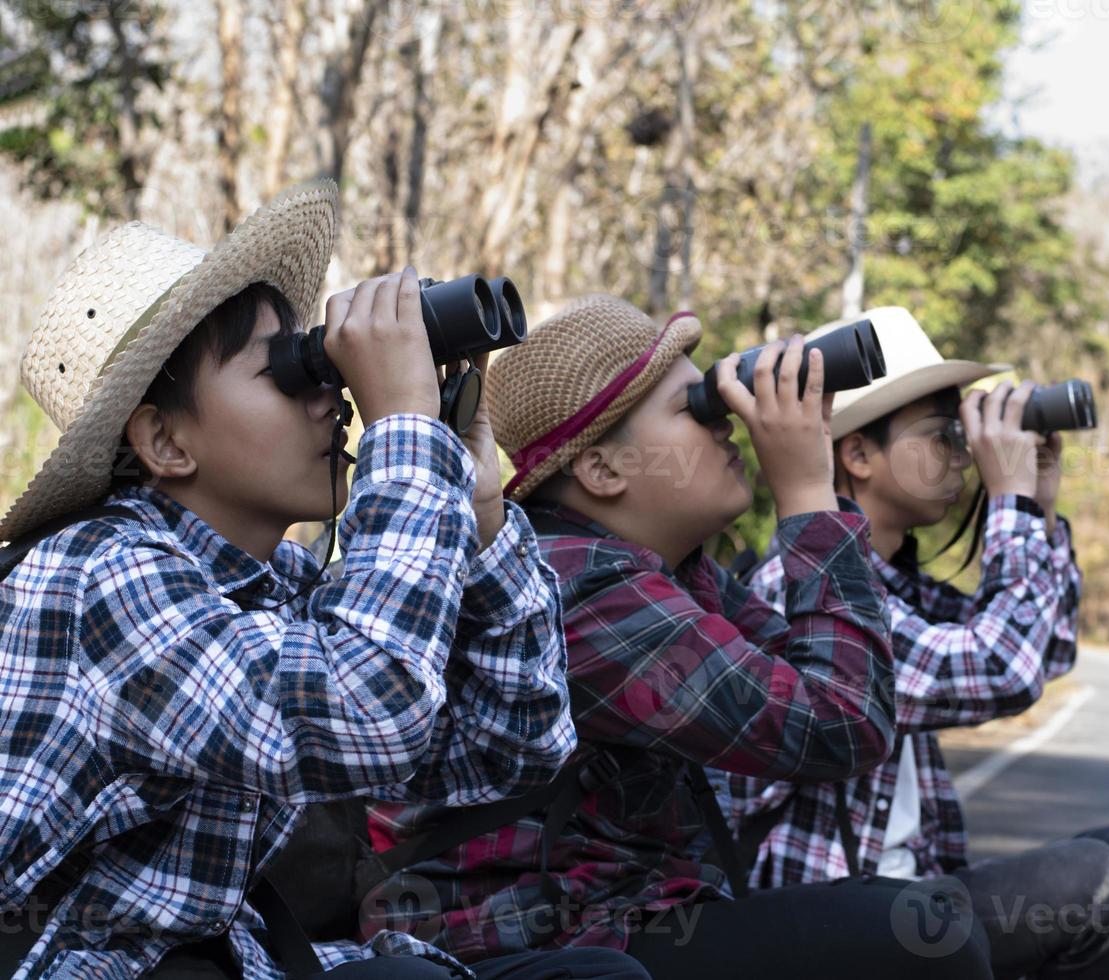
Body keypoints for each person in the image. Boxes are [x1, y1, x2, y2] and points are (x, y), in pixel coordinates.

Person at [0, 182, 646, 980]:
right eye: (288, 371)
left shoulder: (280, 586)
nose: (330, 394)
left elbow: (513, 750)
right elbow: (372, 710)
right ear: (164, 440)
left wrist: (476, 507)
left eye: (319, 359)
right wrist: (404, 430)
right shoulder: (100, 574)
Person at [364, 295, 991, 980]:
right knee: (928, 933)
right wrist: (808, 489)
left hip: (633, 920)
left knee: (1056, 884)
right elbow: (841, 726)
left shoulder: (670, 572)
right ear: (603, 470)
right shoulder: (578, 587)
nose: (726, 426)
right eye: (694, 407)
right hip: (547, 949)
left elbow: (840, 690)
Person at [734, 308, 1109, 980]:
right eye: (941, 436)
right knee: (1093, 879)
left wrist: (1039, 509)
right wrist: (1010, 500)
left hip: (911, 896)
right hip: (837, 923)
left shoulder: (891, 580)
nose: (962, 453)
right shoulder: (801, 585)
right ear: (859, 454)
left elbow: (1046, 654)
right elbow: (1000, 669)